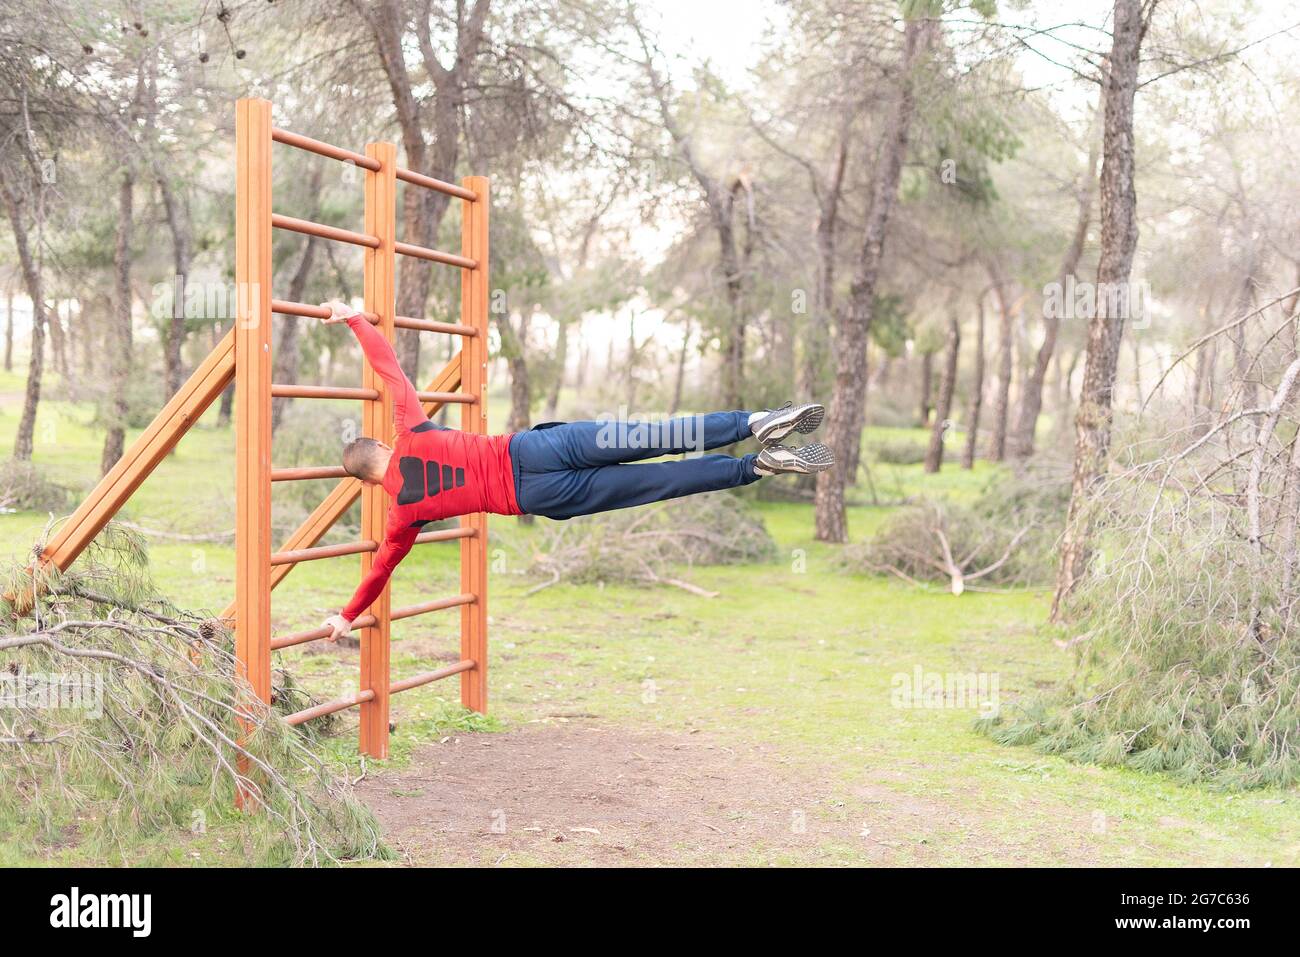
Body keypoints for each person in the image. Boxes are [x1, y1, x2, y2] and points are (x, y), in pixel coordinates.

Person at [315, 300, 834, 641]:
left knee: (658, 484)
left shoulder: (402, 517)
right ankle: (758, 421)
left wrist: (345, 616)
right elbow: (390, 370)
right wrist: (354, 318)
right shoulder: (413, 430)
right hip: (537, 449)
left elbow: (380, 571)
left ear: (368, 482)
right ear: (382, 444)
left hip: (541, 494)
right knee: (656, 436)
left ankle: (756, 466)